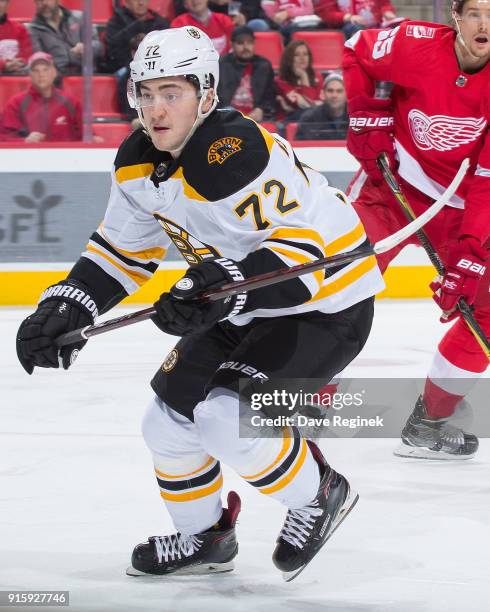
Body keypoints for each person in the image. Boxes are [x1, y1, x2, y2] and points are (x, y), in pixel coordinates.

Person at [16, 26, 384, 578]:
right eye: (146, 93)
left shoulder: (231, 153)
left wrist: (213, 286)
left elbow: (299, 253)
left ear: (207, 95)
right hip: (240, 300)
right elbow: (123, 250)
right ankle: (205, 538)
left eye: (173, 93)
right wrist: (68, 305)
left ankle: (320, 493)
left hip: (325, 303)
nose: (156, 109)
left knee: (225, 419)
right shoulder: (139, 158)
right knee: (165, 423)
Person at [343, 0, 490, 459]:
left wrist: (471, 253)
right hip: (393, 184)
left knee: (485, 311)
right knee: (336, 282)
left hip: (462, 206)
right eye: (475, 13)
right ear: (455, 17)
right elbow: (354, 49)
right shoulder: (414, 44)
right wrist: (368, 113)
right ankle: (307, 398)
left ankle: (431, 420)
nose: (485, 25)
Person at [106, 0, 169, 118]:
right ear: (127, 2)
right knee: (130, 75)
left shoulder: (159, 22)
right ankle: (133, 114)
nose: (141, 3)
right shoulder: (116, 22)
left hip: (159, 67)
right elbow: (112, 52)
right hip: (125, 66)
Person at [1, 51, 81, 142]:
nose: (41, 74)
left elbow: (85, 135)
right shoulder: (15, 103)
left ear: (54, 73)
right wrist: (24, 141)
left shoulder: (70, 102)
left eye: (45, 69)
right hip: (28, 155)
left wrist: (94, 138)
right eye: (36, 70)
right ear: (29, 75)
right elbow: (4, 138)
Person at [218, 25, 275, 121]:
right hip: (228, 116)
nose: (245, 47)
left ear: (254, 43)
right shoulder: (222, 64)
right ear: (232, 45)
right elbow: (216, 96)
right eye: (240, 43)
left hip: (256, 117)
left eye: (249, 42)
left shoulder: (264, 65)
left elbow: (270, 96)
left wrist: (261, 109)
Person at [30, 0, 103, 75]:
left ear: (58, 1)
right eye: (39, 1)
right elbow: (39, 58)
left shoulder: (80, 18)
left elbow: (98, 47)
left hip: (86, 75)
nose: (44, 3)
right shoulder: (35, 28)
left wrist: (86, 47)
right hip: (57, 78)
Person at [275, 39, 323, 123]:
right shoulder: (281, 81)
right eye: (297, 55)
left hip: (316, 121)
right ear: (289, 58)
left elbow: (322, 105)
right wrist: (304, 76)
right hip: (291, 123)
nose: (302, 58)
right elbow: (307, 105)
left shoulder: (317, 76)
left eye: (305, 54)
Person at [296, 72, 348, 140]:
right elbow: (300, 148)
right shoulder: (309, 118)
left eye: (339, 91)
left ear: (347, 94)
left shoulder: (358, 118)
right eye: (330, 91)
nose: (334, 95)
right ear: (323, 94)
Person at [315, 0, 397, 39]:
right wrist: (348, 17)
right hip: (347, 25)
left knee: (401, 26)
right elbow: (326, 14)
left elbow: (385, 4)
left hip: (378, 25)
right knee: (355, 29)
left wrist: (387, 11)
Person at [0, 0, 32, 74]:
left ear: (7, 4)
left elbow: (27, 53)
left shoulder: (20, 28)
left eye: (2, 1)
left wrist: (21, 62)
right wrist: (4, 64)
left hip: (18, 73)